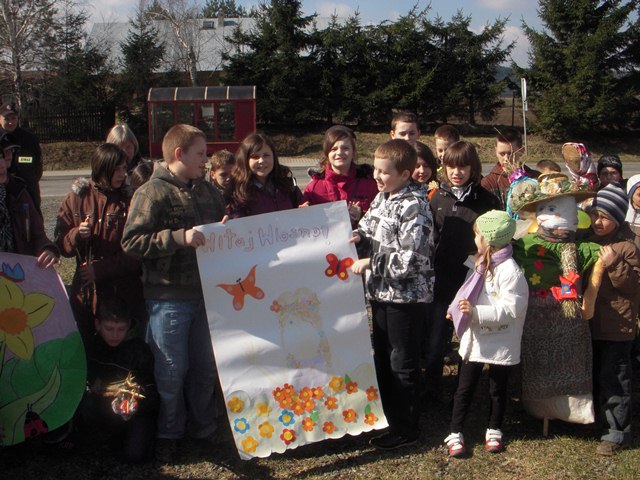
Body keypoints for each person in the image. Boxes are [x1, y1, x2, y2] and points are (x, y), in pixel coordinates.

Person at [121, 124, 225, 463]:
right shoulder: (151, 193)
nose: (205, 160)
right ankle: (169, 433)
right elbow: (132, 242)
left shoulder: (208, 192)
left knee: (205, 369)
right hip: (168, 299)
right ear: (179, 154)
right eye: (200, 154)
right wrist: (178, 237)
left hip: (206, 296)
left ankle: (204, 428)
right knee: (171, 372)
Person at [351, 139, 434, 450]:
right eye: (375, 169)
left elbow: (412, 259)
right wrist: (359, 236)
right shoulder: (383, 198)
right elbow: (369, 228)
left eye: (384, 172)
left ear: (405, 174)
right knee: (384, 359)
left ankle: (407, 427)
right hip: (382, 295)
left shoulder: (415, 205)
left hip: (406, 300)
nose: (376, 176)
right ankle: (388, 417)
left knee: (402, 362)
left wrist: (371, 262)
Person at [444, 210, 528, 458]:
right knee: (464, 387)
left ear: (488, 241)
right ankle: (455, 430)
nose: (475, 240)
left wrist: (476, 313)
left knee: (497, 388)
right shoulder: (480, 263)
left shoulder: (510, 272)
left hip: (500, 339)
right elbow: (466, 292)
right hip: (477, 338)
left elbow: (512, 308)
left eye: (477, 235)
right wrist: (455, 309)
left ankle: (494, 428)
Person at [426, 141, 500, 406]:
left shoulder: (487, 200)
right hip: (441, 281)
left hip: (473, 282)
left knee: (471, 341)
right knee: (435, 341)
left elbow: (495, 240)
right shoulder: (436, 198)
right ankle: (432, 391)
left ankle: (467, 393)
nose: (456, 172)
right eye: (450, 166)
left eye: (462, 166)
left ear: (473, 167)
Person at [55, 144, 145, 345]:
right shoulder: (78, 197)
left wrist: (101, 269)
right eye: (117, 169)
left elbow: (138, 251)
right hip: (85, 294)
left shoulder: (131, 199)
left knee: (124, 352)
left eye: (125, 168)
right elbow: (60, 245)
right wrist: (76, 235)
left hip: (122, 293)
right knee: (85, 349)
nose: (123, 174)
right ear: (102, 168)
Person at [585, 184, 640, 456]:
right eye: (595, 215)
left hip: (618, 327)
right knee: (595, 374)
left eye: (605, 217)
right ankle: (597, 420)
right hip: (593, 324)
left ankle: (617, 432)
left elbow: (634, 286)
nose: (598, 221)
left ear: (617, 219)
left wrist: (616, 264)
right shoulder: (590, 243)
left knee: (615, 378)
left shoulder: (627, 248)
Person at [78, 296, 159, 463]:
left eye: (121, 329)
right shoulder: (92, 347)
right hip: (103, 406)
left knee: (135, 456)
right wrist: (92, 386)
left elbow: (154, 395)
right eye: (109, 329)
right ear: (97, 325)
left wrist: (136, 403)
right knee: (87, 405)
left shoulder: (139, 350)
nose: (115, 335)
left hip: (135, 413)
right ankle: (104, 438)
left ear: (129, 325)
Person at [0, 129, 58, 267]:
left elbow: (38, 236)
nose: (2, 165)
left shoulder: (18, 192)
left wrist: (48, 249)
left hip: (16, 278)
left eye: (3, 157)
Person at [303, 125, 378, 227]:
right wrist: (302, 213)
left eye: (345, 148)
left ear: (353, 152)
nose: (339, 153)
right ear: (327, 153)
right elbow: (305, 225)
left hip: (361, 242)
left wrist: (362, 214)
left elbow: (381, 220)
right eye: (334, 149)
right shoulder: (313, 188)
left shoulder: (370, 185)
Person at [227, 132, 303, 218]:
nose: (261, 161)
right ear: (245, 160)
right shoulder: (238, 192)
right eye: (255, 157)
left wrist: (305, 209)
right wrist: (228, 218)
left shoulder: (288, 185)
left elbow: (302, 206)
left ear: (274, 157)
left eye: (266, 155)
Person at [0, 102, 43, 214]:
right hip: (3, 194)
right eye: (6, 118)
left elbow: (37, 168)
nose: (11, 122)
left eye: (14, 118)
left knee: (32, 226)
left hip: (28, 191)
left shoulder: (29, 139)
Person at [482, 128, 540, 210]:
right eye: (502, 154)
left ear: (521, 151)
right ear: (496, 151)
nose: (506, 159)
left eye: (511, 153)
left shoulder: (536, 178)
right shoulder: (489, 183)